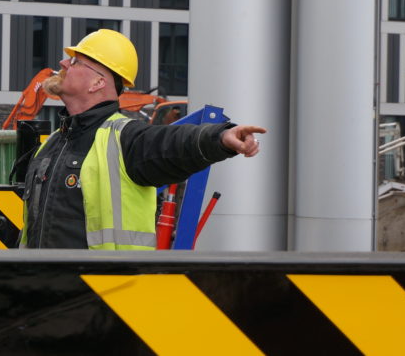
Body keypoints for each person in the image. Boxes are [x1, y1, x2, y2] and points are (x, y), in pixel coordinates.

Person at [20, 29, 266, 250]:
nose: (63, 62)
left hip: (106, 295)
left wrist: (220, 137)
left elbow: (174, 142)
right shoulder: (51, 144)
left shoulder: (126, 139)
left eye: (75, 61)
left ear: (97, 82)